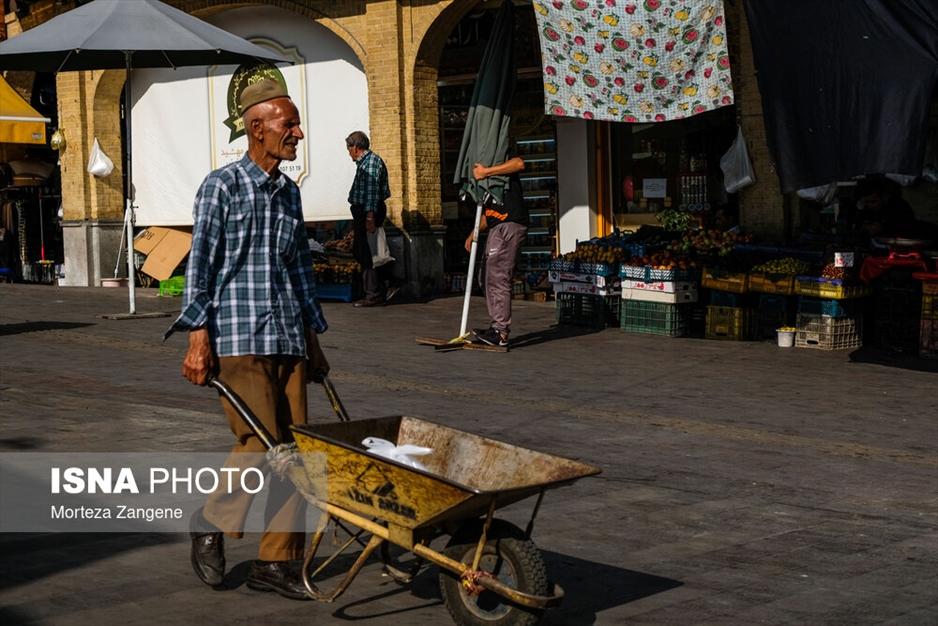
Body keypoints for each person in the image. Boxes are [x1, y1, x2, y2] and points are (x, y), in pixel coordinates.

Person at [165, 78, 330, 600]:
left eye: (297, 124)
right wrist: (197, 338)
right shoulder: (223, 186)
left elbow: (300, 269)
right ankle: (209, 521)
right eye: (289, 124)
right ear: (257, 128)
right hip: (236, 335)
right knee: (260, 444)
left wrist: (314, 337)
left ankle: (277, 563)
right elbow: (201, 266)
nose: (298, 134)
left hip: (287, 335)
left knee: (298, 452)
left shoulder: (289, 192)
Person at [465, 149, 528, 347]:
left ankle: (501, 332)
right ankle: (496, 327)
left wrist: (487, 172)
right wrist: (474, 232)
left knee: (498, 277)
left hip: (509, 224)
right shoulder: (484, 180)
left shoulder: (501, 158)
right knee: (485, 277)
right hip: (496, 228)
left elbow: (519, 163)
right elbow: (487, 213)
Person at [345, 131, 397, 307]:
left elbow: (372, 193)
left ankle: (375, 292)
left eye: (349, 149)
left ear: (355, 147)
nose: (348, 152)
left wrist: (369, 217)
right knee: (362, 251)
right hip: (363, 212)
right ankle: (383, 287)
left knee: (368, 252)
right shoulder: (364, 163)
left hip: (368, 212)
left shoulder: (371, 163)